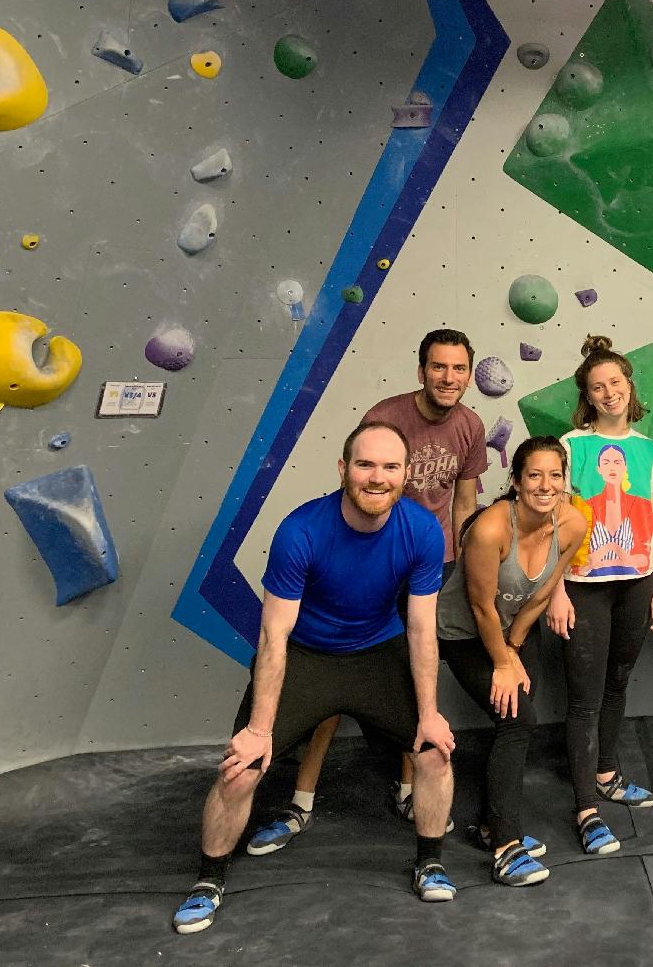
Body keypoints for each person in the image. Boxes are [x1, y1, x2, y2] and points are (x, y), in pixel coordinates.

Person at [172, 421, 457, 934]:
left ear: (406, 474)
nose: (377, 477)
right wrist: (259, 730)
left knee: (434, 752)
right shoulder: (300, 530)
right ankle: (208, 879)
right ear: (344, 469)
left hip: (378, 653)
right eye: (366, 465)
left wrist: (431, 714)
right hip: (307, 655)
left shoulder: (421, 530)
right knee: (240, 768)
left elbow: (420, 628)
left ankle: (430, 860)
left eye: (390, 467)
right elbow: (273, 637)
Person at [246, 329, 487, 856]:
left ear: (470, 374)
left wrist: (467, 567)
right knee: (333, 676)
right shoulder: (389, 415)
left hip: (429, 563)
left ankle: (409, 790)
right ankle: (301, 799)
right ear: (421, 370)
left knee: (411, 680)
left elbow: (465, 505)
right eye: (439, 367)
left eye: (459, 369)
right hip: (372, 558)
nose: (449, 378)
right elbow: (359, 485)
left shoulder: (470, 425)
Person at [546, 337, 653, 856]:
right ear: (588, 395)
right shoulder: (569, 445)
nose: (609, 393)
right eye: (598, 387)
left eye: (616, 383)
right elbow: (551, 523)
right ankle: (586, 810)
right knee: (584, 696)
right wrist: (555, 590)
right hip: (583, 588)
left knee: (617, 681)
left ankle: (605, 774)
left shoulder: (648, 450)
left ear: (629, 387)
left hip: (636, 585)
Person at [436, 436, 587, 887]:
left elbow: (543, 591)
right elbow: (480, 606)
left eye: (555, 475)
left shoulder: (574, 524)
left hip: (516, 627)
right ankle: (505, 846)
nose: (545, 485)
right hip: (463, 633)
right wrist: (502, 662)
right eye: (534, 475)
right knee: (518, 720)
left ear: (565, 481)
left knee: (515, 723)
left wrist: (515, 648)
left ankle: (489, 826)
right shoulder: (490, 529)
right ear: (517, 482)